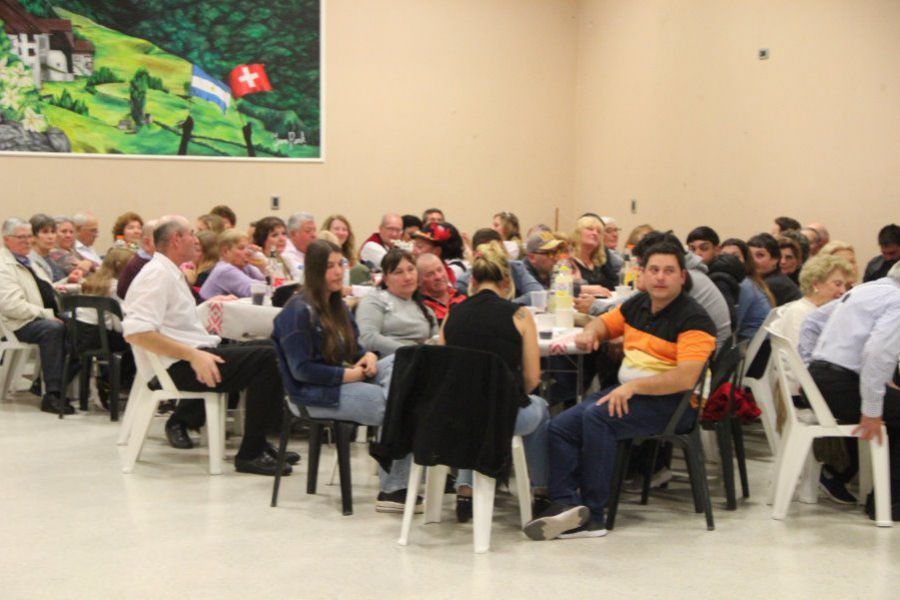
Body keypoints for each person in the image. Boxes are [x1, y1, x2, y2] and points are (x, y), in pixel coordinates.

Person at [524, 241, 717, 540]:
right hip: (630, 391)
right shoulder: (638, 304)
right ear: (642, 274)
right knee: (560, 426)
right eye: (653, 270)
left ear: (682, 276)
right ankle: (567, 506)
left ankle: (594, 516)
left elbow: (686, 377)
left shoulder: (694, 319)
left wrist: (634, 387)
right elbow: (604, 322)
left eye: (669, 271)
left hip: (676, 403)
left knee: (598, 418)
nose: (660, 277)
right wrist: (591, 332)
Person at [123, 216, 287, 475]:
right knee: (267, 360)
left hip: (189, 356)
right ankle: (250, 453)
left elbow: (176, 322)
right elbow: (137, 332)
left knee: (271, 347)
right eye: (190, 234)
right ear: (176, 240)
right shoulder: (156, 275)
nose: (195, 239)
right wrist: (193, 355)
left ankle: (260, 442)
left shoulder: (169, 271)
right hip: (177, 366)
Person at [271, 239, 417, 511]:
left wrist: (368, 356)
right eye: (330, 266)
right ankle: (393, 489)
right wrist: (349, 376)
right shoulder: (297, 311)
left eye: (341, 264)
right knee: (396, 404)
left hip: (343, 378)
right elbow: (301, 371)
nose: (338, 272)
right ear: (314, 271)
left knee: (404, 361)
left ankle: (396, 474)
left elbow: (356, 349)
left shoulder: (338, 306)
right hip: (310, 393)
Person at [439, 241, 550, 522]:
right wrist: (508, 396)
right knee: (541, 409)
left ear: (473, 281)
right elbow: (532, 378)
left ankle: (465, 488)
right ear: (506, 282)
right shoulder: (521, 315)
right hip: (504, 416)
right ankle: (540, 491)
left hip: (457, 416)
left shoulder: (452, 316)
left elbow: (445, 371)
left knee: (470, 405)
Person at [799, 263, 900, 520]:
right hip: (841, 385)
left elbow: (813, 321)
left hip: (821, 379)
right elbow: (876, 354)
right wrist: (872, 411)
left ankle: (884, 497)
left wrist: (807, 369)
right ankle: (888, 503)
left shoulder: (868, 290)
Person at [0, 218, 69, 415]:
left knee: (83, 325)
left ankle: (61, 383)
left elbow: (40, 290)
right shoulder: (4, 266)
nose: (27, 241)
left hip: (39, 316)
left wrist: (61, 285)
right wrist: (45, 315)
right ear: (7, 240)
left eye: (29, 236)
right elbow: (12, 306)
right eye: (21, 237)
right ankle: (52, 394)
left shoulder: (28, 261)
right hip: (18, 323)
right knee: (53, 329)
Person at [634, 231, 732, 351]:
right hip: (707, 344)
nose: (641, 271)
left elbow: (658, 323)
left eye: (644, 266)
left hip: (707, 352)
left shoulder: (680, 280)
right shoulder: (689, 274)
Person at [78, 246, 137, 406]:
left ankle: (112, 382)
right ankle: (115, 383)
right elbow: (119, 324)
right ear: (120, 266)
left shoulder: (91, 282)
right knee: (139, 342)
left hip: (81, 335)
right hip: (101, 338)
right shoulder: (116, 287)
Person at [356, 247, 439, 356]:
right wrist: (410, 353)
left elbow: (437, 342)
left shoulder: (427, 310)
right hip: (388, 361)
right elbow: (367, 338)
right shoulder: (374, 300)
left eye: (411, 269)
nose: (408, 277)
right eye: (398, 272)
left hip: (419, 361)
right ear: (385, 279)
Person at [770, 254, 853, 349]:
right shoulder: (798, 313)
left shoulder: (824, 312)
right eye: (837, 284)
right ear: (816, 285)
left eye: (845, 286)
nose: (843, 291)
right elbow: (800, 358)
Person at [455, 228, 545, 304]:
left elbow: (538, 293)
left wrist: (504, 307)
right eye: (489, 253)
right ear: (475, 255)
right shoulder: (464, 282)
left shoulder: (516, 268)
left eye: (498, 251)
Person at [719, 238, 774, 340]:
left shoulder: (744, 285)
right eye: (724, 255)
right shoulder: (750, 281)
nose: (729, 260)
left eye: (735, 256)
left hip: (754, 346)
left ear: (746, 261)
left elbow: (733, 325)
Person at [199, 229, 266, 300]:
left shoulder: (243, 266)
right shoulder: (225, 270)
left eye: (248, 248)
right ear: (225, 251)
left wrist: (263, 263)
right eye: (241, 248)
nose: (248, 252)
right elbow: (256, 291)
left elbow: (266, 281)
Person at [747, 233, 801, 306]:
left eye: (760, 255)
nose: (753, 260)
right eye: (749, 255)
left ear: (775, 259)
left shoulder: (774, 283)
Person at [28, 213, 80, 285]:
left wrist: (70, 279)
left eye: (53, 232)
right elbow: (45, 290)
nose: (50, 237)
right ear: (33, 236)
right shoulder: (30, 262)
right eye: (45, 232)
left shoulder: (50, 259)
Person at [571, 215, 618, 293]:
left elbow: (613, 285)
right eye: (590, 229)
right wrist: (588, 289)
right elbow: (561, 288)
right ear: (578, 233)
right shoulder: (568, 261)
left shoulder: (600, 262)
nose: (595, 233)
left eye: (599, 231)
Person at [417, 253, 466, 323]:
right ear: (418, 281)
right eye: (430, 274)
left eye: (440, 270)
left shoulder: (462, 296)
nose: (438, 277)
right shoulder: (419, 309)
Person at [117, 220, 157, 299]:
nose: (136, 231)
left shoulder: (146, 256)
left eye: (139, 228)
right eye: (131, 228)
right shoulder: (139, 264)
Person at [282, 212, 317, 278]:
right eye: (308, 231)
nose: (314, 235)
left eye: (314, 230)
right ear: (293, 234)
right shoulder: (286, 255)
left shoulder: (315, 251)